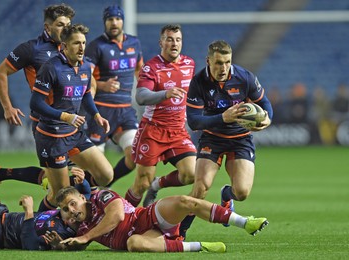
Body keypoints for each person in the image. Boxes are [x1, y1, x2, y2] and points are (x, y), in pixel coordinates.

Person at [184, 40, 273, 238]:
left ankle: (227, 194)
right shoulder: (198, 82)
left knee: (241, 192)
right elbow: (194, 122)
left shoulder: (245, 78)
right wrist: (223, 118)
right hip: (212, 139)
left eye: (226, 62)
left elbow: (265, 104)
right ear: (208, 61)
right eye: (218, 63)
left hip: (240, 139)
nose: (223, 68)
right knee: (200, 189)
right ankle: (179, 232)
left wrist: (267, 120)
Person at [29, 24, 113, 212]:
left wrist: (96, 115)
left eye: (83, 42)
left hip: (74, 134)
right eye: (76, 43)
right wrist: (65, 116)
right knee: (62, 196)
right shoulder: (51, 68)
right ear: (65, 46)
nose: (82, 47)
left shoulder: (85, 67)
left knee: (106, 175)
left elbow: (85, 94)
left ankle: (84, 189)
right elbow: (35, 103)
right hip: (52, 137)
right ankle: (38, 224)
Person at [53, 186, 268, 253]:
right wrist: (59, 246)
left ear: (82, 198)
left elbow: (117, 215)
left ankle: (244, 222)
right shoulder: (79, 230)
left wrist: (87, 237)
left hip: (146, 217)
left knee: (186, 201)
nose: (71, 210)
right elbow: (75, 246)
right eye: (65, 209)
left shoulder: (100, 196)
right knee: (133, 244)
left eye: (72, 203)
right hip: (147, 237)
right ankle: (198, 246)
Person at [124, 24, 197, 208]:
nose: (174, 43)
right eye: (170, 39)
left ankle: (158, 184)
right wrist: (165, 93)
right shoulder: (151, 67)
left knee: (192, 173)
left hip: (178, 131)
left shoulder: (189, 64)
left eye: (178, 40)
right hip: (153, 131)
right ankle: (123, 220)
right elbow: (141, 97)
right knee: (141, 183)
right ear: (161, 42)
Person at [84, 5, 144, 187]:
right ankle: (85, 198)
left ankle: (106, 185)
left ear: (122, 21)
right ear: (105, 22)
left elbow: (140, 72)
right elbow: (85, 78)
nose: (114, 23)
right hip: (100, 111)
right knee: (94, 167)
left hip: (125, 111)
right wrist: (102, 84)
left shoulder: (134, 44)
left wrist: (149, 94)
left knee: (134, 156)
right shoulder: (95, 46)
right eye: (110, 19)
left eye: (117, 19)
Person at [0, 3, 75, 127]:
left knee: (95, 147)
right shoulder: (31, 49)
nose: (66, 30)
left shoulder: (72, 48)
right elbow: (0, 73)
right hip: (48, 121)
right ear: (47, 27)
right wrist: (7, 108)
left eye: (68, 25)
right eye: (60, 25)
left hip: (71, 117)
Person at [0, 172, 78, 250]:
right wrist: (81, 181)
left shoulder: (59, 234)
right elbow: (44, 211)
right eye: (67, 207)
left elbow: (30, 245)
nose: (71, 211)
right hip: (0, 213)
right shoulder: (60, 215)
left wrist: (29, 211)